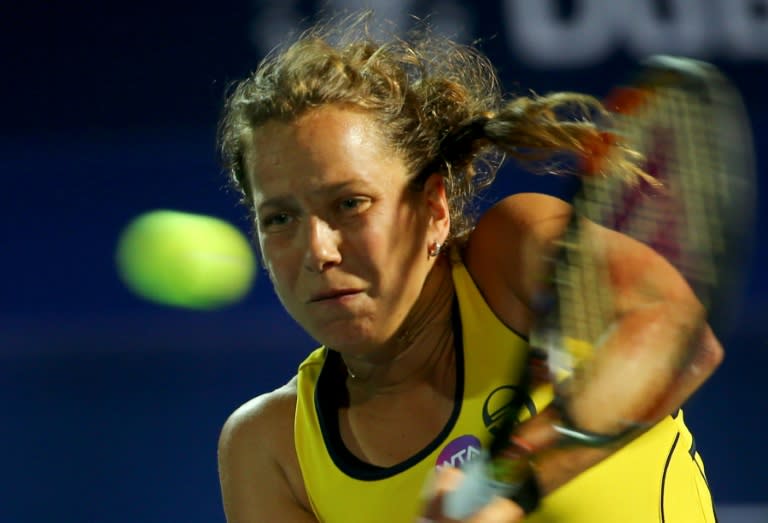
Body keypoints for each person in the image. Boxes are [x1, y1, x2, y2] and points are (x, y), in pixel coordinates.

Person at [216, 13, 722, 523]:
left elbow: (678, 336)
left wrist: (513, 476)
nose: (317, 250)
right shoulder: (269, 447)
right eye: (279, 218)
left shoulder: (514, 254)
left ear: (434, 209)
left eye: (351, 204)